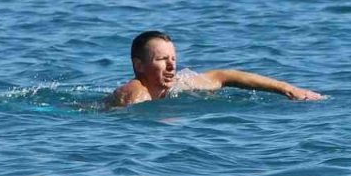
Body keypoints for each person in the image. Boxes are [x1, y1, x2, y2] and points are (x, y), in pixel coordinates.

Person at [106, 30, 324, 107]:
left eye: (173, 58)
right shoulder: (135, 94)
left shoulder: (180, 83)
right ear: (139, 65)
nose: (172, 65)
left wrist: (289, 89)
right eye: (162, 59)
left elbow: (225, 75)